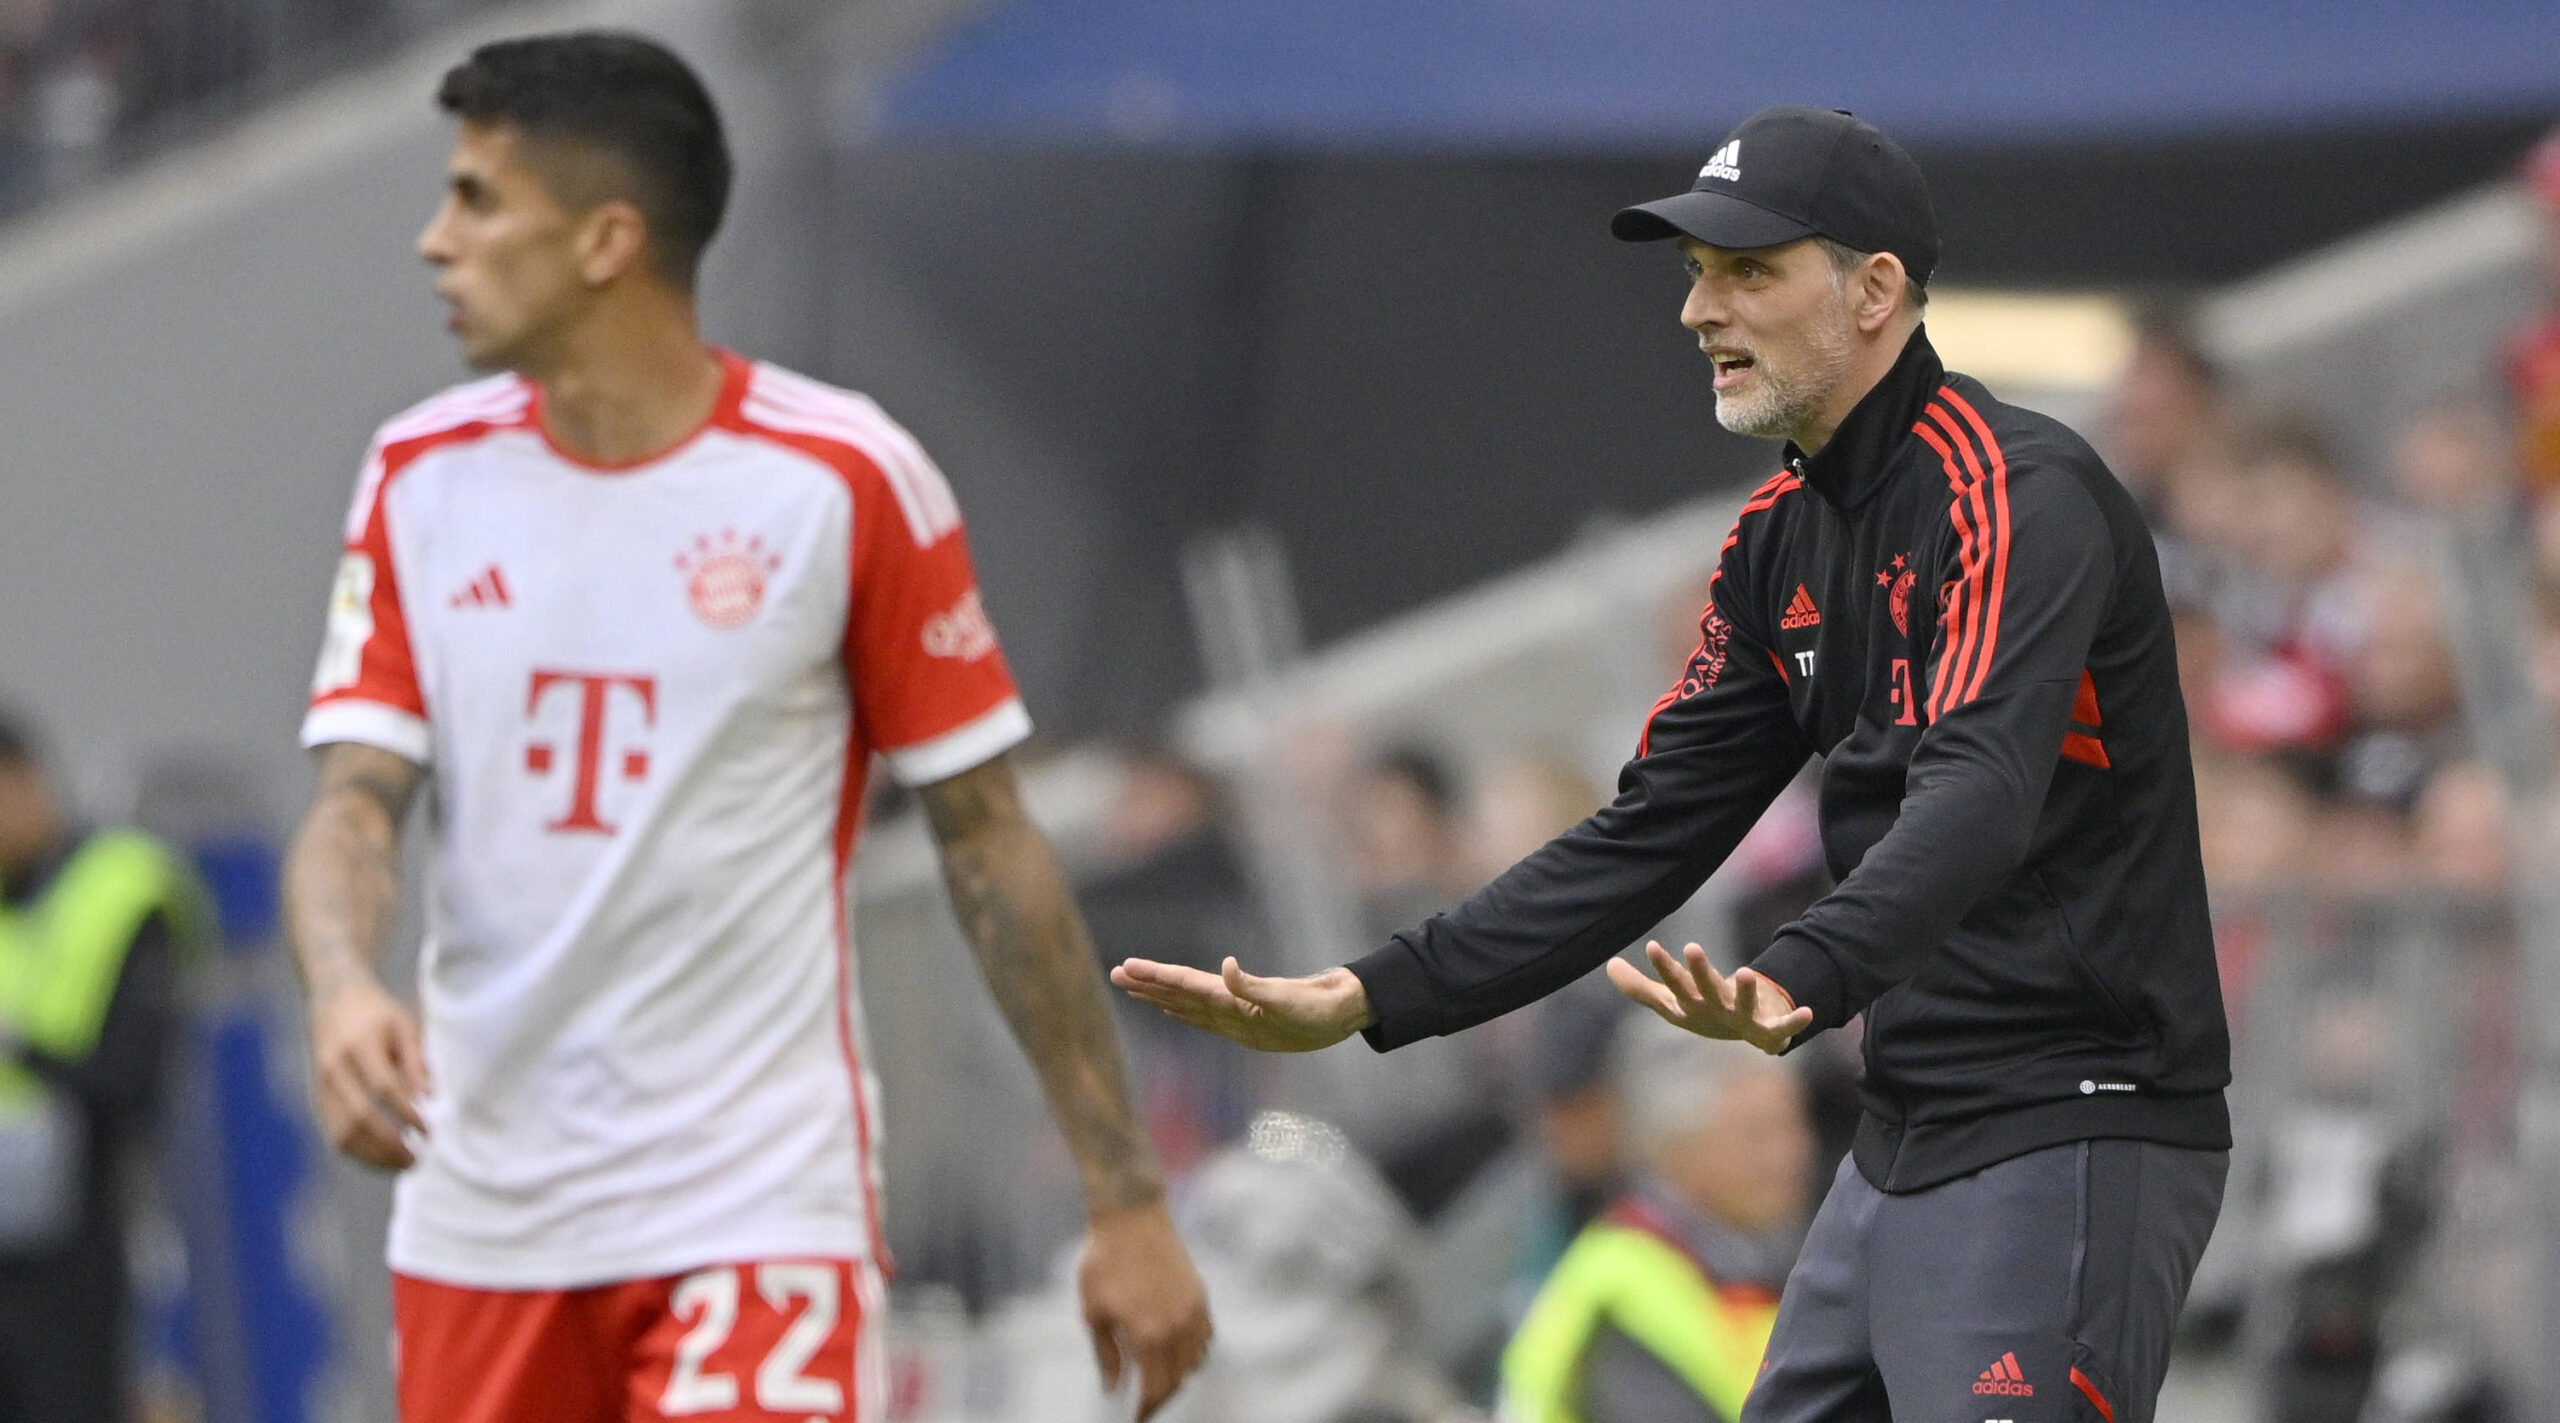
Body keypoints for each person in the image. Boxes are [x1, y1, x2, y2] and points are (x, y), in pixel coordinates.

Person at [1116, 104, 2230, 1423]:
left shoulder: (2020, 495)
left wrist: (1798, 971)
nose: (1702, 309)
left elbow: (1978, 792)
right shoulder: (1775, 541)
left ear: (1876, 291)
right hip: (1908, 1131)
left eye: (1749, 269)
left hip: (2076, 1119)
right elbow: (1646, 833)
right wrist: (1370, 989)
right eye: (1699, 272)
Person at [280, 32, 1207, 1422]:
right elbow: (356, 800)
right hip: (483, 1222)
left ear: (606, 239)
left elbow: (987, 842)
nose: (435, 240)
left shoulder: (842, 477)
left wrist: (1123, 1193)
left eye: (476, 199)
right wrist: (343, 983)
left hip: (751, 1204)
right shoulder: (417, 475)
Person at [0, 704, 194, 1422]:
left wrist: (25, 1048)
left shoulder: (120, 887)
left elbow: (132, 1078)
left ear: (21, 780)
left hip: (74, 1241)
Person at [1500, 1018, 1811, 1423]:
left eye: (1794, 1123)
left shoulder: (1736, 1255)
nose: (1790, 1154)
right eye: (1757, 1135)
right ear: (1675, 1145)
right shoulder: (1623, 1299)